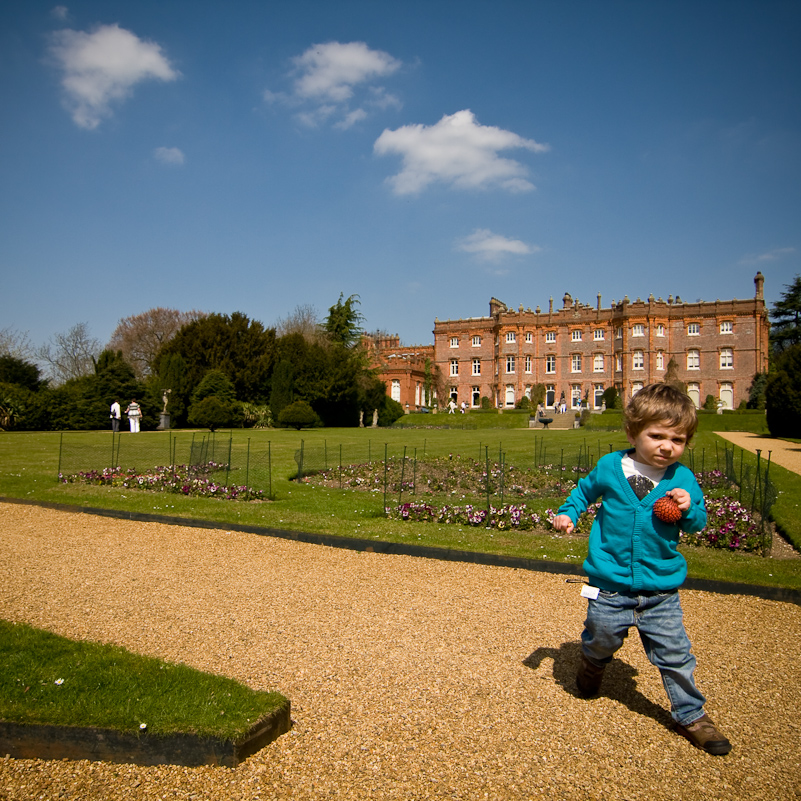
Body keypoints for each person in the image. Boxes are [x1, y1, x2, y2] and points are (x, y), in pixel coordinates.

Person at [551, 383, 731, 756]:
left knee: (676, 654)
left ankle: (691, 714)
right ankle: (593, 663)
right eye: (658, 436)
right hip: (609, 584)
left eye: (678, 439)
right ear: (633, 432)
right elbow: (583, 493)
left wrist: (688, 508)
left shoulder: (681, 479)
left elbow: (698, 523)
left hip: (659, 589)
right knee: (601, 636)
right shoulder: (610, 466)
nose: (667, 446)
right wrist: (568, 514)